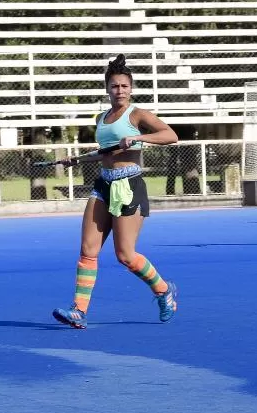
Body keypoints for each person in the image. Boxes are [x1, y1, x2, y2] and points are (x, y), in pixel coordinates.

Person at [52, 54, 179, 329]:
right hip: (103, 184)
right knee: (88, 249)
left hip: (129, 186)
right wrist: (78, 159)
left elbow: (170, 136)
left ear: (130, 88)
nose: (119, 90)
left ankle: (163, 291)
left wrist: (138, 136)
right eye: (114, 86)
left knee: (126, 255)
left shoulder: (138, 115)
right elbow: (106, 152)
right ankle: (79, 310)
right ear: (107, 89)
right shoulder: (101, 117)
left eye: (124, 86)